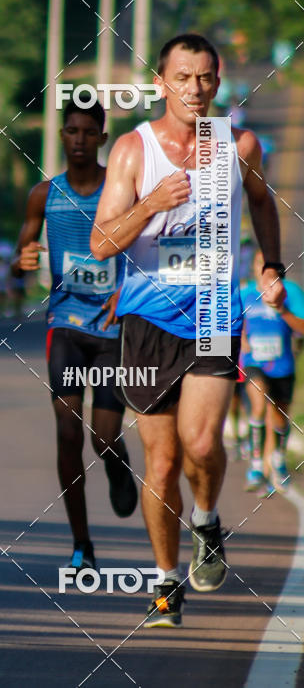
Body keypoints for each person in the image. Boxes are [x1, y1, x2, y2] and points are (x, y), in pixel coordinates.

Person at [90, 33, 286, 627]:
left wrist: (270, 264)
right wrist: (149, 205)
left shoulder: (240, 145)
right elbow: (101, 243)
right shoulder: (132, 150)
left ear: (218, 80)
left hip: (212, 315)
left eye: (206, 78)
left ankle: (205, 518)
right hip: (147, 320)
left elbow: (262, 203)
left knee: (202, 445)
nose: (195, 89)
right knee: (164, 461)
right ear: (160, 82)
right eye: (183, 77)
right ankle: (166, 581)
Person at [12, 99, 138, 574]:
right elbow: (22, 254)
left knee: (101, 438)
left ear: (103, 138)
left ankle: (117, 459)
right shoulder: (45, 194)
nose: (79, 139)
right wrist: (20, 264)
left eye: (89, 131)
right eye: (71, 131)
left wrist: (126, 290)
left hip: (112, 329)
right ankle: (81, 543)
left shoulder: (121, 189)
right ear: (61, 135)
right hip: (65, 325)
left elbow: (145, 248)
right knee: (67, 434)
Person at [241, 249, 304, 493]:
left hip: (282, 365)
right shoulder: (244, 294)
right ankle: (256, 464)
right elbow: (226, 325)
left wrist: (283, 311)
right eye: (260, 263)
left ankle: (277, 460)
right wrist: (239, 342)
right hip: (253, 362)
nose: (265, 269)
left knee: (279, 417)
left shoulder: (292, 292)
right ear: (256, 267)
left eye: (269, 264)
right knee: (258, 403)